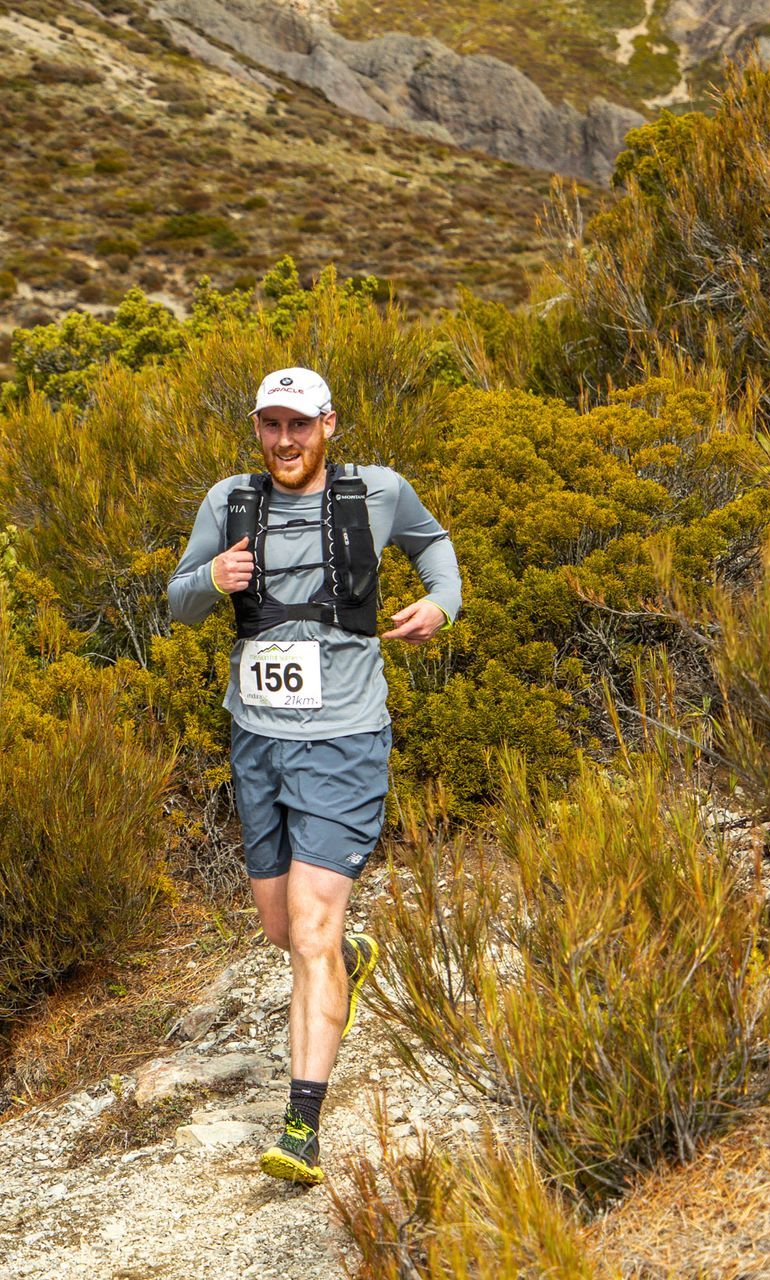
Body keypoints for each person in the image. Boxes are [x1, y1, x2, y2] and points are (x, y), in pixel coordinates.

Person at [165, 366, 462, 1186]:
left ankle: (301, 1125)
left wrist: (443, 602)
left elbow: (435, 546)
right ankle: (346, 959)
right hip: (257, 742)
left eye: (300, 424)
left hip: (345, 741)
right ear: (258, 428)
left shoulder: (380, 492)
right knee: (282, 928)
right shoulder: (228, 501)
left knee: (311, 925)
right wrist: (209, 582)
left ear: (329, 423)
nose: (286, 441)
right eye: (271, 425)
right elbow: (176, 600)